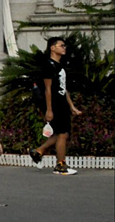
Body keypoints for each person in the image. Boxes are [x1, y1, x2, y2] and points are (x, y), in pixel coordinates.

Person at [29, 37, 82, 175]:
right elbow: (48, 89)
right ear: (52, 48)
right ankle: (60, 165)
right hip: (54, 103)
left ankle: (38, 151)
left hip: (62, 103)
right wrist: (49, 110)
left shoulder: (60, 65)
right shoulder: (48, 65)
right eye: (61, 45)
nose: (64, 48)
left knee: (61, 133)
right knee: (62, 134)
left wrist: (72, 106)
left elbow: (63, 88)